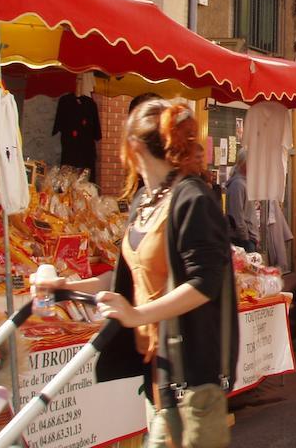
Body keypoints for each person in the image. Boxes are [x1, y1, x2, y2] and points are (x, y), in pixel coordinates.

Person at [37, 98, 238, 447]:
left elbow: (204, 283)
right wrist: (65, 287)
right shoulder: (144, 202)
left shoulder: (193, 200)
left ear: (133, 147)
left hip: (192, 373)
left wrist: (137, 314)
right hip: (158, 370)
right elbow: (125, 276)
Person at [225, 148, 259, 251]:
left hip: (248, 238)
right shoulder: (238, 185)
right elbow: (237, 215)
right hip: (243, 240)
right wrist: (245, 238)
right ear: (245, 163)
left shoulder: (244, 183)